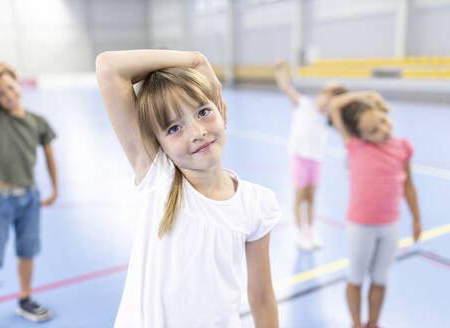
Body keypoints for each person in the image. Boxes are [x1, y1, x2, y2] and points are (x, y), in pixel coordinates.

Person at [96, 50, 281, 327]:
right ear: (158, 142)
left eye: (203, 112)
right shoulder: (158, 176)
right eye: (173, 128)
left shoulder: (256, 203)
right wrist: (196, 60)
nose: (197, 132)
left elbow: (262, 295)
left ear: (221, 107)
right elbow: (109, 67)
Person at [0, 63, 58, 328]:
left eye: (9, 86)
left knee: (27, 252)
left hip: (30, 199)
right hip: (0, 199)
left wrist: (54, 189)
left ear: (17, 84)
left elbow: (50, 158)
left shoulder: (38, 122)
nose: (7, 94)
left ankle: (25, 299)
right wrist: (3, 66)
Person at [328, 91, 422, 328]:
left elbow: (409, 185)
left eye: (383, 121)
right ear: (360, 135)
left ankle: (374, 322)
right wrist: (365, 94)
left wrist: (416, 219)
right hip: (361, 225)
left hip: (390, 225)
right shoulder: (356, 146)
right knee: (356, 277)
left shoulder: (403, 147)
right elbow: (335, 107)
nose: (383, 130)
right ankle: (356, 323)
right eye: (373, 130)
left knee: (381, 279)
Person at [274, 59, 347, 251]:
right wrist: (281, 70)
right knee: (300, 197)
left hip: (316, 160)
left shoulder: (328, 117)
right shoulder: (304, 104)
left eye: (331, 98)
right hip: (299, 157)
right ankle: (299, 234)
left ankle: (310, 230)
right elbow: (285, 86)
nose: (325, 100)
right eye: (325, 94)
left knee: (312, 197)